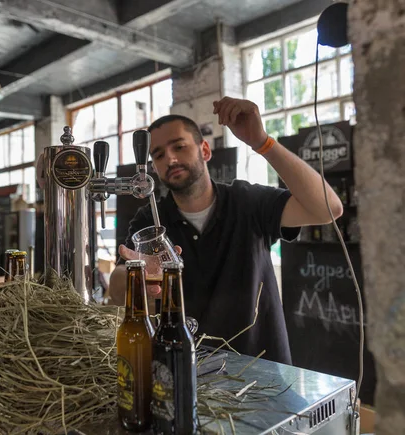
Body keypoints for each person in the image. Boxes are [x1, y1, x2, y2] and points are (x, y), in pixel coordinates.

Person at [109, 97, 344, 365]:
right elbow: (116, 288)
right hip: (184, 372)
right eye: (159, 155)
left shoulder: (248, 201)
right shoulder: (150, 218)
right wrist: (136, 277)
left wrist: (262, 142)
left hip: (262, 374)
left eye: (179, 146)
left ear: (205, 150)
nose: (170, 159)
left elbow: (328, 209)